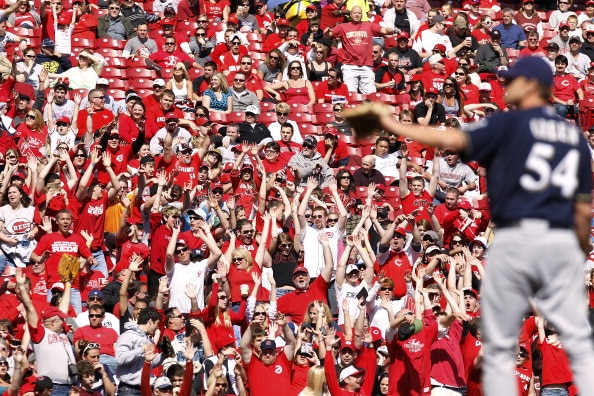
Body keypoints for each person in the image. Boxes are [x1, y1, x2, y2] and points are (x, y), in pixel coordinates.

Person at [343, 55, 594, 396]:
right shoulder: (574, 137)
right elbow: (582, 214)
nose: (506, 84)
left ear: (532, 86)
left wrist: (393, 124)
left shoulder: (513, 124)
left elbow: (450, 139)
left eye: (514, 80)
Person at [323, 6, 397, 94]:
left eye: (359, 13)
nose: (357, 15)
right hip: (349, 66)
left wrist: (393, 30)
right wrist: (326, 31)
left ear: (362, 15)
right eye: (355, 13)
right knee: (350, 94)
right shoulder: (343, 27)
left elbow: (383, 30)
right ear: (350, 14)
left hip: (366, 66)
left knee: (370, 94)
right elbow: (329, 34)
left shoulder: (369, 25)